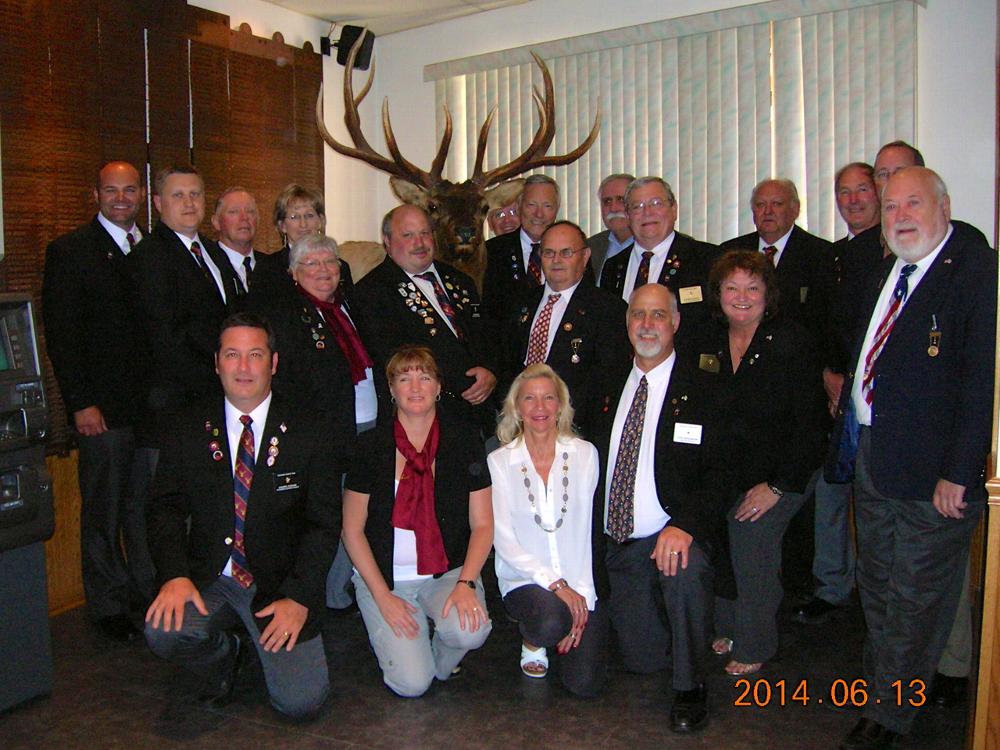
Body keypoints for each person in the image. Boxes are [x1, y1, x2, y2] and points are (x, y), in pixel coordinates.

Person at [829, 167, 995, 750]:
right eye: (892, 205)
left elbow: (982, 383)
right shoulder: (890, 271)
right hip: (874, 455)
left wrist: (960, 472)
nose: (900, 216)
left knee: (914, 596)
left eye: (913, 203)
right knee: (876, 584)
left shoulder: (975, 274)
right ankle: (886, 690)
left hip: (935, 473)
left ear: (944, 207)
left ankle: (889, 715)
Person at [144, 312, 341, 718]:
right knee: (164, 631)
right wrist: (174, 575)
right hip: (210, 577)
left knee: (300, 702)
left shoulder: (311, 428)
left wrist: (300, 597)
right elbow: (165, 506)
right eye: (232, 355)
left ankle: (261, 638)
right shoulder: (187, 426)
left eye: (256, 354)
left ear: (274, 363)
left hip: (279, 586)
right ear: (216, 363)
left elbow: (323, 525)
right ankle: (224, 654)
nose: (244, 367)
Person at [590, 283, 731, 732]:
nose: (647, 325)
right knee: (643, 659)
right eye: (638, 314)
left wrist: (685, 525)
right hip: (617, 541)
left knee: (685, 568)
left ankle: (691, 687)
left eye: (658, 315)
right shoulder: (607, 379)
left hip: (671, 532)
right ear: (627, 322)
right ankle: (674, 622)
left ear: (676, 322)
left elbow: (722, 471)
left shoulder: (704, 385)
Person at [697, 250, 826, 676]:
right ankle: (728, 627)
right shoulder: (708, 339)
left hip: (786, 470)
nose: (741, 297)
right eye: (731, 287)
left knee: (749, 530)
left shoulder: (792, 341)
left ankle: (755, 642)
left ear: (768, 294)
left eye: (752, 288)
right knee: (716, 525)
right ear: (717, 294)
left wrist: (776, 487)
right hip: (731, 468)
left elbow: (810, 427)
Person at [341, 346, 494, 698]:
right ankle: (410, 652)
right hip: (387, 578)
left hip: (447, 573)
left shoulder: (464, 441)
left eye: (424, 377)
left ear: (438, 387)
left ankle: (434, 655)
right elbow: (352, 530)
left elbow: (484, 525)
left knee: (470, 631)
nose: (415, 387)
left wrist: (466, 584)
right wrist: (382, 596)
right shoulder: (370, 447)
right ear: (391, 389)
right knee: (412, 685)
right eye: (404, 378)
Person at [42, 160, 153, 641]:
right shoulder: (70, 251)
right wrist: (81, 403)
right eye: (112, 190)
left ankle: (147, 595)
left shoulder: (152, 248)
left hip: (148, 410)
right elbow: (62, 338)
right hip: (101, 412)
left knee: (143, 510)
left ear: (143, 195)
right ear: (96, 195)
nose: (121, 198)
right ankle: (107, 606)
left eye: (129, 190)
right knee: (104, 511)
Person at [251, 233, 377, 609]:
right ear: (293, 273)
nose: (323, 270)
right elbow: (289, 382)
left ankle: (343, 588)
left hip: (367, 425)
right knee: (328, 515)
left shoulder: (348, 306)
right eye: (312, 263)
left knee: (359, 513)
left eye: (330, 262)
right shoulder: (286, 315)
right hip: (325, 434)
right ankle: (321, 595)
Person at [795, 162, 880, 627]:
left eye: (861, 190)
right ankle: (832, 587)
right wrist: (829, 375)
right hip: (834, 395)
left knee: (872, 503)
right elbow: (821, 325)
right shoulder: (833, 257)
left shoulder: (894, 253)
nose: (852, 200)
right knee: (830, 491)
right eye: (843, 192)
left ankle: (877, 598)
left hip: (875, 401)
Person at [489, 364, 607, 695]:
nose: (539, 407)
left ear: (561, 405)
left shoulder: (585, 454)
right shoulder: (499, 462)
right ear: (516, 408)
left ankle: (561, 622)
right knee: (551, 622)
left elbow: (586, 534)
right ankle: (534, 639)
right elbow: (504, 541)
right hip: (524, 580)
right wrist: (557, 587)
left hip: (577, 581)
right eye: (529, 398)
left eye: (549, 398)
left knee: (584, 685)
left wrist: (581, 600)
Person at [355, 205, 497, 430]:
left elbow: (488, 335)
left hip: (482, 416)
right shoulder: (370, 293)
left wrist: (490, 372)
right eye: (408, 235)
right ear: (387, 241)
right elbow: (394, 359)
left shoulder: (461, 280)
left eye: (425, 233)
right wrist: (464, 383)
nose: (419, 243)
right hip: (425, 422)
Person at [500, 221, 631, 435]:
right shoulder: (521, 303)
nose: (556, 260)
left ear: (585, 256)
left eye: (566, 252)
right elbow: (505, 364)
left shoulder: (607, 308)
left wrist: (558, 417)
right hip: (520, 426)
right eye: (549, 253)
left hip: (577, 429)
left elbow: (608, 378)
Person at [599, 177, 721, 343]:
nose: (647, 213)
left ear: (674, 209)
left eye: (656, 203)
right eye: (637, 206)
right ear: (628, 216)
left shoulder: (707, 259)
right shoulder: (613, 267)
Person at [720, 178, 831, 342]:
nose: (768, 211)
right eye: (760, 205)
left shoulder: (821, 254)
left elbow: (823, 320)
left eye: (777, 204)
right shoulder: (730, 252)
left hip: (798, 349)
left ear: (795, 209)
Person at [482, 174, 560, 327]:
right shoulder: (491, 252)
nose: (539, 214)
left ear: (556, 210)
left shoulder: (573, 251)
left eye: (547, 206)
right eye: (531, 205)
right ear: (519, 207)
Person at [212, 187, 262, 295]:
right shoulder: (208, 266)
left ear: (258, 220)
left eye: (250, 211)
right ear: (216, 222)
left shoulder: (273, 268)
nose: (244, 217)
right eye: (233, 212)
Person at [586, 173, 635, 279]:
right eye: (607, 201)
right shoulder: (590, 247)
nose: (613, 208)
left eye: (621, 200)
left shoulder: (651, 246)